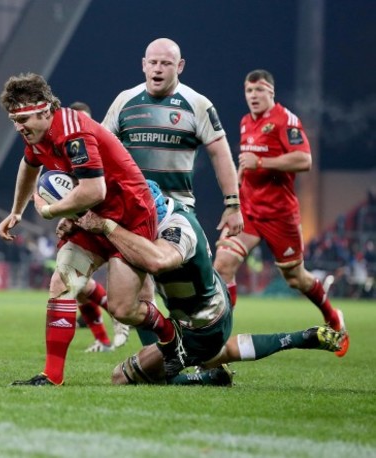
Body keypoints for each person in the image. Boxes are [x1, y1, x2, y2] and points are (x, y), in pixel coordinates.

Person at [76, 181, 347, 386]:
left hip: (198, 326)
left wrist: (109, 229)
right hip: (214, 310)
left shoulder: (176, 229)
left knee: (121, 377)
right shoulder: (167, 213)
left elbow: (157, 261)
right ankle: (302, 337)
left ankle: (205, 379)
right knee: (218, 351)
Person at [0, 72, 171, 386]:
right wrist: (17, 212)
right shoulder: (37, 137)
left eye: (23, 118)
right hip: (93, 216)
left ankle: (175, 339)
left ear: (46, 110)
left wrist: (52, 210)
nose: (19, 127)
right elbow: (29, 165)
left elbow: (95, 191)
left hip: (129, 218)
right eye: (13, 119)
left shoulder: (72, 132)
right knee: (61, 282)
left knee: (122, 309)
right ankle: (52, 376)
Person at [102, 37, 243, 346]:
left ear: (179, 67)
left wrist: (233, 203)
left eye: (165, 63)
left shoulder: (197, 104)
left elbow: (220, 152)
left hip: (177, 215)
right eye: (152, 62)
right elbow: (99, 149)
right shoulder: (125, 101)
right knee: (131, 300)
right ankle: (157, 360)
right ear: (143, 64)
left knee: (182, 301)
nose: (157, 68)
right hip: (133, 215)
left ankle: (205, 345)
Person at [213, 69, 349, 357]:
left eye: (259, 90)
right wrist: (233, 201)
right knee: (223, 264)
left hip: (279, 215)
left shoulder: (285, 121)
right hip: (249, 211)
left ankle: (332, 315)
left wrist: (261, 162)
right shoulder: (245, 122)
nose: (253, 96)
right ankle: (219, 338)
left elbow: (304, 159)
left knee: (295, 278)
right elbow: (244, 165)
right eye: (249, 91)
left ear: (271, 92)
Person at [68, 100, 130, 352]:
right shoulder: (65, 152)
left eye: (87, 119)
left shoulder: (104, 146)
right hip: (81, 221)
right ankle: (103, 341)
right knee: (77, 284)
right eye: (77, 119)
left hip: (111, 221)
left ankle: (120, 316)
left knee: (79, 282)